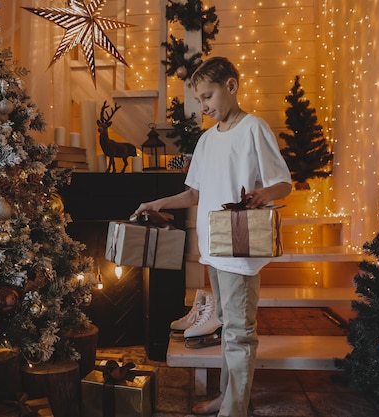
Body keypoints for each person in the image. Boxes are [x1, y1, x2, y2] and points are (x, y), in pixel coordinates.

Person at [134, 56, 292, 417]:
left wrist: (264, 195)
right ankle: (230, 398)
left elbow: (283, 183)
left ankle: (234, 410)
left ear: (231, 86)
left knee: (239, 332)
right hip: (214, 251)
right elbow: (194, 194)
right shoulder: (206, 140)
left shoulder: (254, 129)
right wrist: (157, 202)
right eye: (200, 100)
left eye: (208, 96)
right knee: (228, 329)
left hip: (239, 251)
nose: (204, 107)